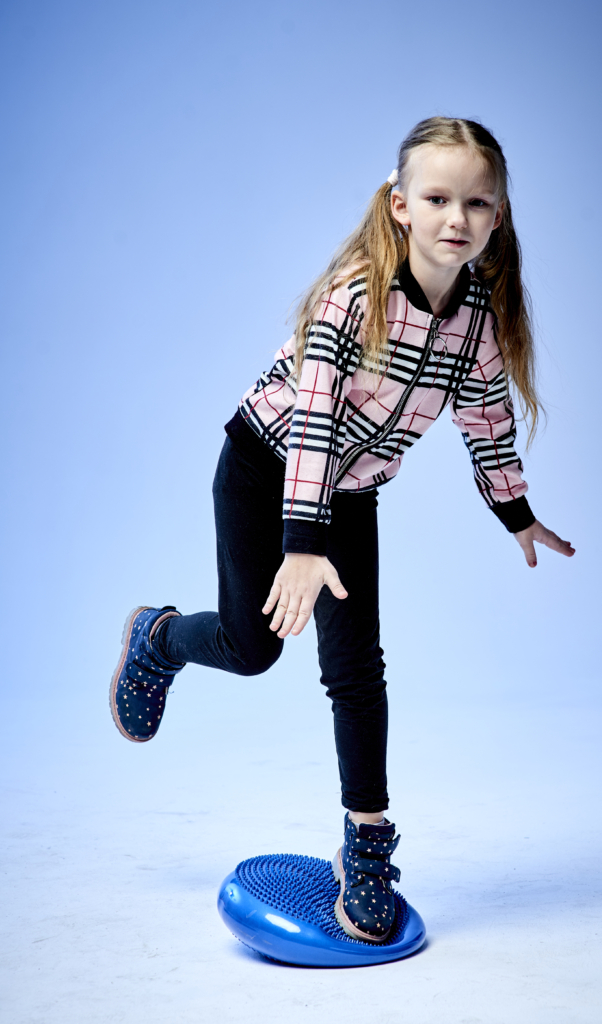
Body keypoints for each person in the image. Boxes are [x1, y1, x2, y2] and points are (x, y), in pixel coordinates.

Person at [109, 116, 575, 944]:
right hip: (265, 468)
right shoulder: (353, 295)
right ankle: (158, 638)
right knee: (253, 649)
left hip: (349, 495)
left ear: (497, 216)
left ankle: (366, 842)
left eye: (475, 203)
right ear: (400, 205)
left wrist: (515, 512)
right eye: (436, 199)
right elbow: (316, 421)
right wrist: (301, 545)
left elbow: (486, 420)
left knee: (356, 668)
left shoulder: (475, 321)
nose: (455, 218)